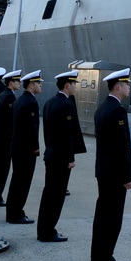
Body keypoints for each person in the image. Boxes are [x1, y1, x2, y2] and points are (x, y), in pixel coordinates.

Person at [90, 68, 131, 261]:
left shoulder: (102, 108)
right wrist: (127, 176)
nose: (129, 87)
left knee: (102, 216)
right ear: (118, 86)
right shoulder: (117, 110)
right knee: (112, 217)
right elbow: (122, 146)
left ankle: (97, 257)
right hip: (115, 174)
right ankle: (105, 259)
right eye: (127, 84)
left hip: (104, 171)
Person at [37, 70, 86, 242]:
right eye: (74, 84)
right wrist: (70, 158)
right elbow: (67, 135)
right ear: (67, 85)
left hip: (51, 154)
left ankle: (43, 229)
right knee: (56, 195)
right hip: (60, 158)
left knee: (48, 193)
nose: (75, 87)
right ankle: (48, 232)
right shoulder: (65, 105)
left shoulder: (50, 102)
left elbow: (48, 131)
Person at [7, 70, 42, 224]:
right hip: (25, 149)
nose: (41, 86)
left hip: (17, 147)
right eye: (38, 83)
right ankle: (16, 214)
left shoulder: (20, 100)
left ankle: (12, 211)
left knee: (17, 181)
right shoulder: (30, 102)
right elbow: (31, 128)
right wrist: (35, 147)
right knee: (22, 182)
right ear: (31, 85)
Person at [0, 69, 21, 207]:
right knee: (1, 170)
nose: (20, 83)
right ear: (11, 82)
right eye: (18, 81)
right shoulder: (9, 97)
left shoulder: (4, 94)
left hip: (0, 138)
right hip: (4, 140)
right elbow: (9, 121)